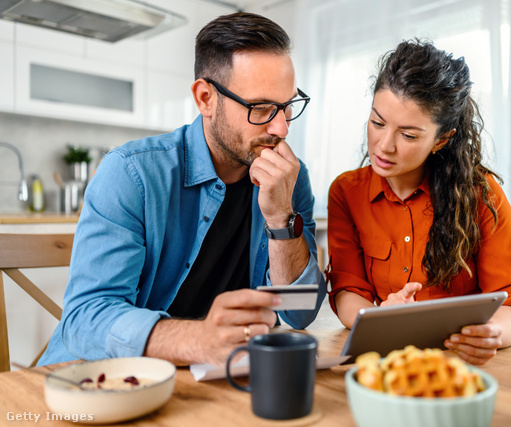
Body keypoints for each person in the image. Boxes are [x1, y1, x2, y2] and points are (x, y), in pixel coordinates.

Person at [39, 12, 326, 367]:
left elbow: (299, 315)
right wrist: (198, 339)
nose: (281, 128)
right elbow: (86, 320)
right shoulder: (132, 174)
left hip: (210, 384)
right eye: (261, 108)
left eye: (287, 106)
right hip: (102, 382)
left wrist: (282, 219)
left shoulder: (289, 179)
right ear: (206, 98)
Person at [326, 39, 511, 365]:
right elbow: (348, 291)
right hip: (401, 348)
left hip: (495, 351)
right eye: (377, 122)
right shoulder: (346, 192)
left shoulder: (481, 194)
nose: (384, 146)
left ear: (442, 140)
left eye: (409, 135)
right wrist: (380, 319)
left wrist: (487, 335)